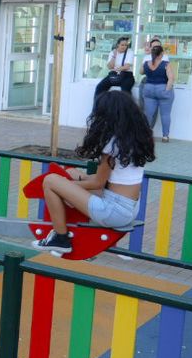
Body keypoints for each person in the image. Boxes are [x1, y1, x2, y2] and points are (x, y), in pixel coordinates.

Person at [36, 90, 155, 256]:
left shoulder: (113, 144)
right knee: (71, 177)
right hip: (130, 208)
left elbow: (98, 183)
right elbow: (110, 179)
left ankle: (60, 238)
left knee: (50, 181)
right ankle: (67, 226)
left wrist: (67, 185)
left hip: (113, 212)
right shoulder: (135, 140)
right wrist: (79, 178)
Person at [139, 38, 176, 141]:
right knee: (165, 114)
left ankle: (145, 135)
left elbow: (141, 72)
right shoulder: (166, 64)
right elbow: (171, 78)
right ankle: (165, 136)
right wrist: (167, 90)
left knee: (148, 114)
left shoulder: (146, 63)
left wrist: (145, 59)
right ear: (162, 53)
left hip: (149, 89)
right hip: (162, 88)